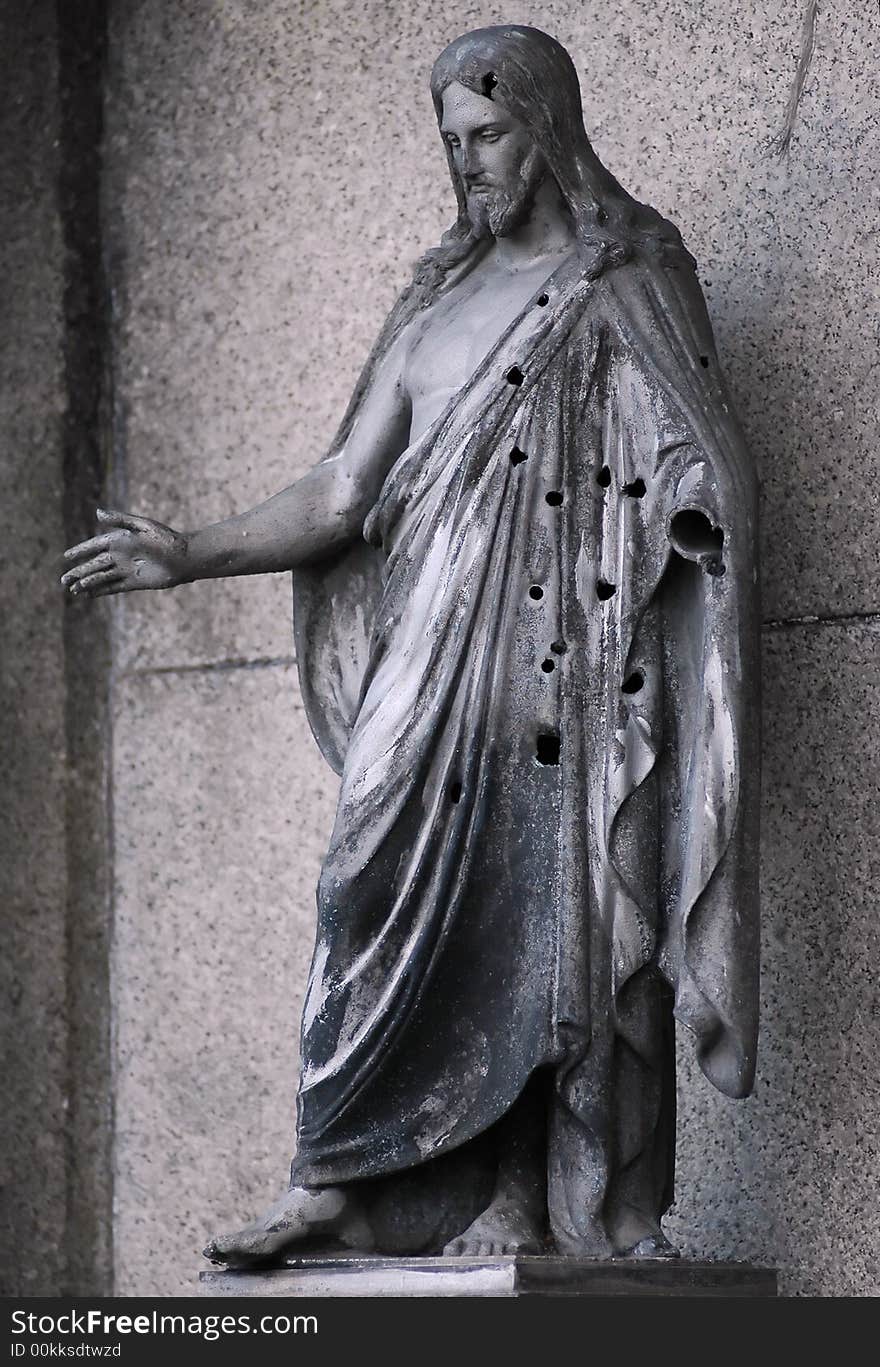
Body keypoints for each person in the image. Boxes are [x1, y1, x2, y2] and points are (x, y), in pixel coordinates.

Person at [61, 25, 760, 1263]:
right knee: (360, 878)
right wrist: (188, 550)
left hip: (571, 669)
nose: (467, 164)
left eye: (485, 135)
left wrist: (687, 496)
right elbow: (344, 489)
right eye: (450, 142)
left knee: (567, 921)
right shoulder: (436, 302)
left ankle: (538, 1200)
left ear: (545, 128)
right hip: (428, 666)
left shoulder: (628, 276)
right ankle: (332, 1171)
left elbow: (690, 447)